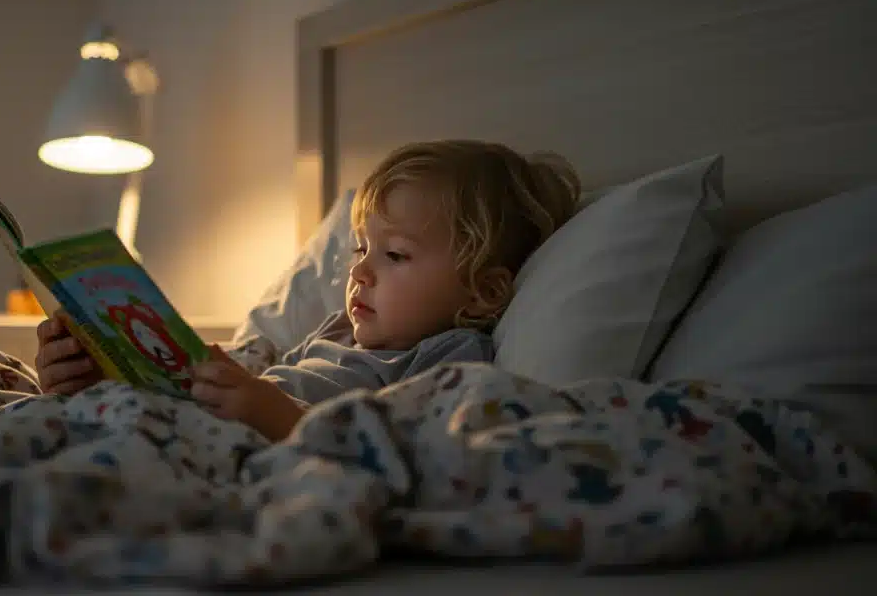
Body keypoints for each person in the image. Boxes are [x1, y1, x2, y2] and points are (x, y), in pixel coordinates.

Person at [34, 140, 581, 441]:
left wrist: (270, 412)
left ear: (483, 294)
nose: (360, 273)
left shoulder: (451, 361)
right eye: (360, 250)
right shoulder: (341, 328)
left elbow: (396, 451)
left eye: (395, 255)